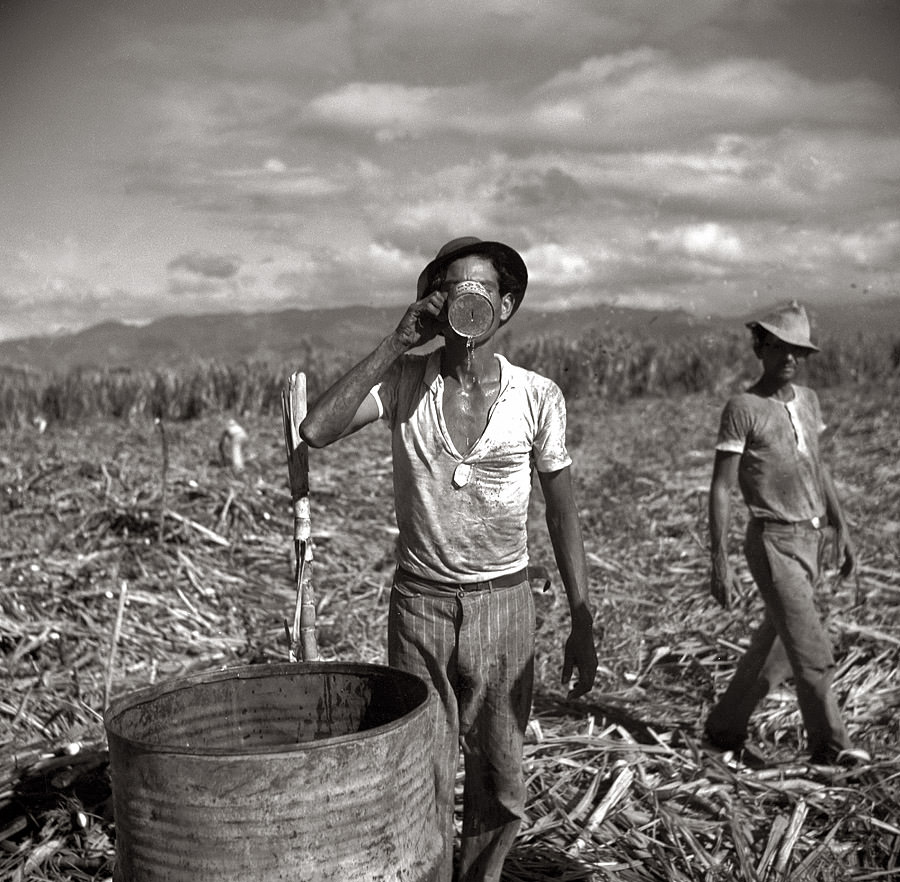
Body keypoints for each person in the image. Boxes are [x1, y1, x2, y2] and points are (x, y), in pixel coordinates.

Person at [300, 236, 598, 882]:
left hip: (504, 605)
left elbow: (562, 511)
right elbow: (317, 430)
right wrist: (394, 341)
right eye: (451, 289)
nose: (468, 301)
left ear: (507, 304)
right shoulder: (406, 384)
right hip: (422, 606)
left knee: (501, 776)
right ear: (433, 301)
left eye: (481, 290)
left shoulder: (537, 396)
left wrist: (581, 615)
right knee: (421, 774)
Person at [704, 300, 867, 767]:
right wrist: (719, 559)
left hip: (811, 539)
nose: (790, 358)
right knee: (811, 652)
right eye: (779, 347)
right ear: (761, 348)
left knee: (774, 649)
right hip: (772, 542)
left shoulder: (809, 401)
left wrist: (842, 527)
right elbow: (721, 486)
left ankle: (723, 728)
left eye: (799, 350)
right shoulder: (743, 408)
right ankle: (831, 748)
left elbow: (820, 466)